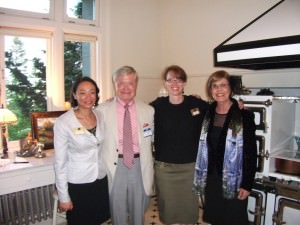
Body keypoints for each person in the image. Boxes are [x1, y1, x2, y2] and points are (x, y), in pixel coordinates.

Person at [193, 70, 257, 225]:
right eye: (215, 86)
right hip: (212, 178)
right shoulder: (206, 113)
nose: (219, 89)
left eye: (223, 85)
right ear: (210, 90)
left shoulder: (243, 116)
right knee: (215, 218)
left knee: (234, 219)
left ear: (230, 89)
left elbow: (251, 153)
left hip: (235, 180)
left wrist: (247, 185)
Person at [150, 65, 209, 225]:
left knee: (189, 210)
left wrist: (236, 104)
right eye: (170, 80)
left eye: (179, 80)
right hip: (165, 168)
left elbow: (219, 110)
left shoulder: (196, 104)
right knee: (168, 209)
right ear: (165, 83)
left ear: (184, 82)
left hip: (190, 167)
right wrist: (113, 102)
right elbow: (138, 113)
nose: (174, 84)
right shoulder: (157, 106)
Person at [97, 66, 154, 225]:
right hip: (115, 165)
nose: (125, 88)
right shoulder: (101, 110)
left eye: (130, 83)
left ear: (136, 84)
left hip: (139, 165)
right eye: (121, 83)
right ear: (115, 84)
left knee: (139, 211)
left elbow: (151, 137)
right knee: (118, 211)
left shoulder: (148, 110)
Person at [54, 77, 110, 225]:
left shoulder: (100, 115)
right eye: (82, 93)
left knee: (100, 219)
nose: (88, 97)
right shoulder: (63, 122)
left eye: (92, 92)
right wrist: (63, 196)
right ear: (74, 95)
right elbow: (60, 163)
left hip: (100, 179)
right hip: (79, 184)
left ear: (97, 95)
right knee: (80, 221)